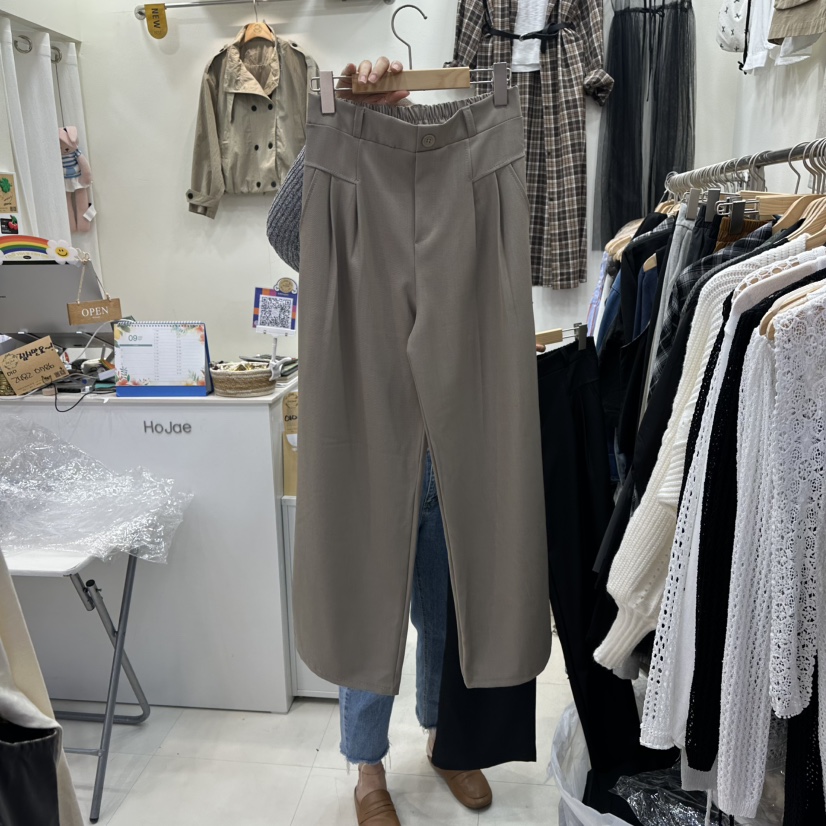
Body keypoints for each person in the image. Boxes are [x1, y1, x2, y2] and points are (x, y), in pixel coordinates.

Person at [267, 58, 502, 826]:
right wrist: (339, 124)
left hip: (450, 425)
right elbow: (286, 233)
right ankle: (366, 766)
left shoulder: (466, 149)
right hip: (368, 421)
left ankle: (444, 737)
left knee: (446, 599)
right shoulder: (352, 150)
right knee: (365, 592)